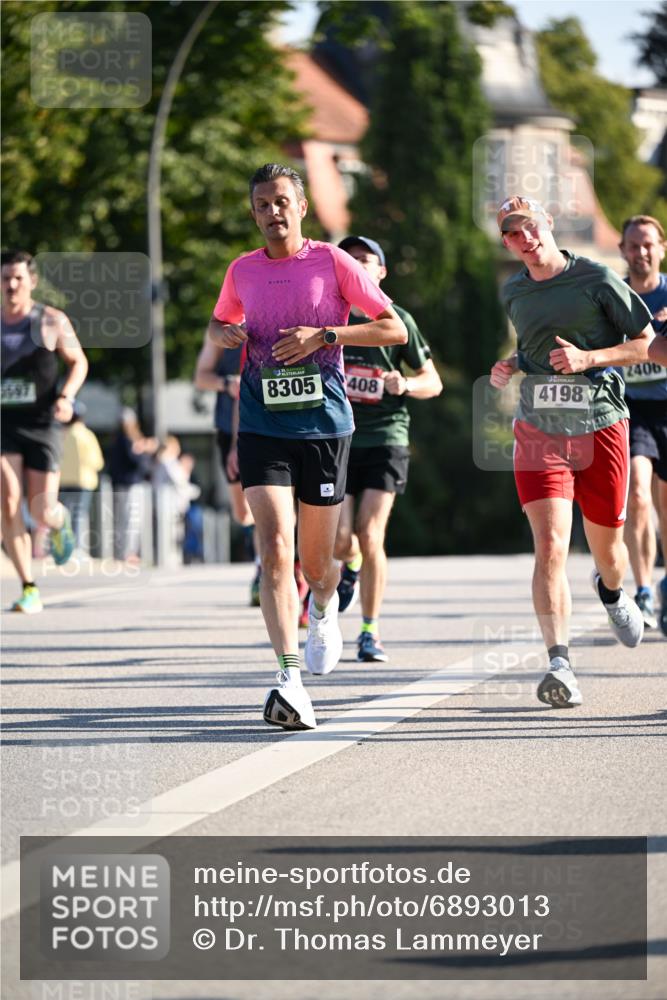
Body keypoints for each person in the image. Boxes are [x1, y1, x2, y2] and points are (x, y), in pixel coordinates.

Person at [207, 163, 406, 730]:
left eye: (282, 202)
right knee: (274, 545)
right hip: (262, 423)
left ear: (301, 207)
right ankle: (288, 676)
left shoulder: (332, 262)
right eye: (263, 204)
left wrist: (325, 336)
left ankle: (324, 608)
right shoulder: (241, 270)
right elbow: (221, 323)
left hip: (324, 427)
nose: (273, 212)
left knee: (319, 565)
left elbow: (392, 328)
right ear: (254, 213)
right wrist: (226, 332)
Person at [490, 196, 654, 708]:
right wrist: (513, 363)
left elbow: (648, 343)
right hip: (539, 428)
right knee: (551, 545)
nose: (526, 238)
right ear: (508, 243)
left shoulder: (597, 278)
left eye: (531, 226)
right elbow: (537, 348)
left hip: (602, 425)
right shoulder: (513, 289)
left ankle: (610, 591)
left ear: (548, 224)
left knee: (608, 551)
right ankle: (559, 662)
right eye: (514, 234)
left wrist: (590, 357)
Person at [333, 235, 442, 662]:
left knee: (370, 533)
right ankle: (351, 568)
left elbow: (433, 381)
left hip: (386, 438)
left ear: (380, 272)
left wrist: (406, 384)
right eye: (350, 260)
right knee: (342, 540)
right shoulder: (332, 318)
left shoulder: (399, 321)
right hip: (337, 440)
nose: (358, 265)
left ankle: (369, 630)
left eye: (366, 260)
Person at [1, 249, 87, 613]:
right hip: (4, 423)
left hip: (44, 422)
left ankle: (59, 521)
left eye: (18, 278)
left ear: (32, 282)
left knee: (43, 508)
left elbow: (78, 362)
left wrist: (66, 396)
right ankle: (28, 586)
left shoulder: (50, 320)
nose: (11, 285)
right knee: (7, 501)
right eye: (5, 278)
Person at [618, 214, 667, 635]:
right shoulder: (613, 296)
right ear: (622, 251)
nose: (641, 252)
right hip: (631, 409)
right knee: (636, 493)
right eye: (633, 245)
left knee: (666, 505)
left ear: (662, 248)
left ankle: (663, 582)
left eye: (648, 244)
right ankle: (644, 588)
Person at [194, 341, 261, 603]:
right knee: (244, 513)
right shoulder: (223, 326)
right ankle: (264, 553)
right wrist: (226, 384)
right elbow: (201, 377)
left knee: (265, 504)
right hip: (227, 426)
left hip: (265, 426)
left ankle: (265, 566)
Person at [108, 408, 158, 563]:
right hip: (130, 484)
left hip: (123, 484)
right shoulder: (127, 440)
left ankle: (125, 552)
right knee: (130, 519)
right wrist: (143, 450)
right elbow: (138, 463)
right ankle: (127, 553)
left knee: (124, 519)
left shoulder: (118, 439)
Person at [59, 403, 104, 552]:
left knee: (63, 517)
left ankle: (62, 547)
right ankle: (75, 549)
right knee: (78, 516)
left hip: (62, 481)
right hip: (82, 481)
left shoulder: (60, 434)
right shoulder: (86, 435)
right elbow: (97, 462)